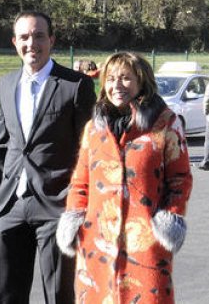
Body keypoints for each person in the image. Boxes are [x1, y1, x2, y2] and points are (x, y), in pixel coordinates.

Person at [57, 52, 193, 304]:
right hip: (96, 244)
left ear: (142, 81)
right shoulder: (93, 129)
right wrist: (75, 220)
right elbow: (80, 182)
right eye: (110, 78)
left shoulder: (165, 124)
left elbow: (181, 178)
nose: (116, 85)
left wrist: (164, 221)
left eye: (125, 78)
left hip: (145, 244)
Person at [0, 11, 96, 304]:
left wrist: (80, 204)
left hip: (57, 206)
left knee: (59, 295)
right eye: (24, 37)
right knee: (6, 293)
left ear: (51, 40)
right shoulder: (5, 85)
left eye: (38, 36)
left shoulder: (76, 85)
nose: (31, 43)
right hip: (10, 206)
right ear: (14, 42)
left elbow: (87, 151)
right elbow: (1, 145)